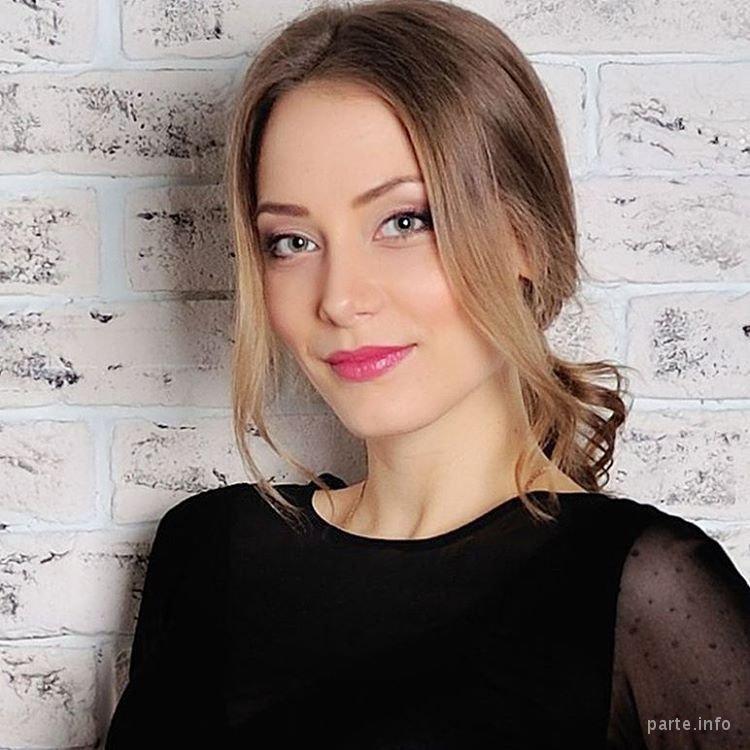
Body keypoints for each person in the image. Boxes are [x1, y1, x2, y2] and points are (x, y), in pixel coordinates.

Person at [105, 0, 750, 748]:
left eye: (405, 222)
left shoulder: (641, 592)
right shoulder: (209, 549)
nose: (340, 299)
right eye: (292, 241)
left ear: (525, 238)